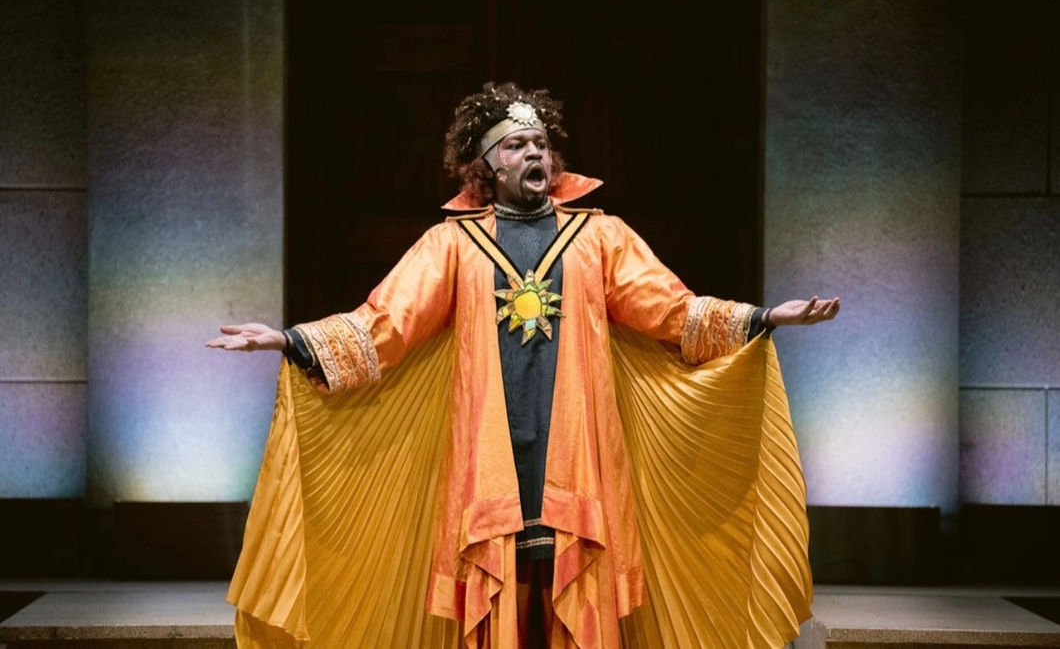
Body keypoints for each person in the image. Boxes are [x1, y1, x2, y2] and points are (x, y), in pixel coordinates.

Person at [208, 82, 839, 649]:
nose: (533, 153)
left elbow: (670, 310)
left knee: (572, 574)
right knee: (501, 577)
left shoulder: (600, 237)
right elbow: (385, 324)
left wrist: (763, 317)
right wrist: (288, 340)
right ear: (487, 165)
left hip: (576, 446)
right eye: (515, 145)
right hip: (490, 450)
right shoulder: (452, 244)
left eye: (540, 143)